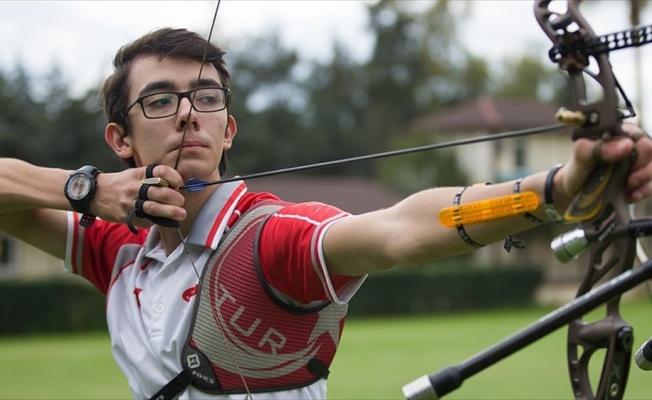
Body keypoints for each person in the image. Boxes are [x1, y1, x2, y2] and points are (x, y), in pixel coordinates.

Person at [1, 27, 651, 400]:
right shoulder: (116, 249)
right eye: (160, 100)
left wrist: (556, 189)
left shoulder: (267, 237)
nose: (187, 113)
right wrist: (85, 190)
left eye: (205, 96)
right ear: (119, 140)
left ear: (229, 128)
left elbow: (403, 230)